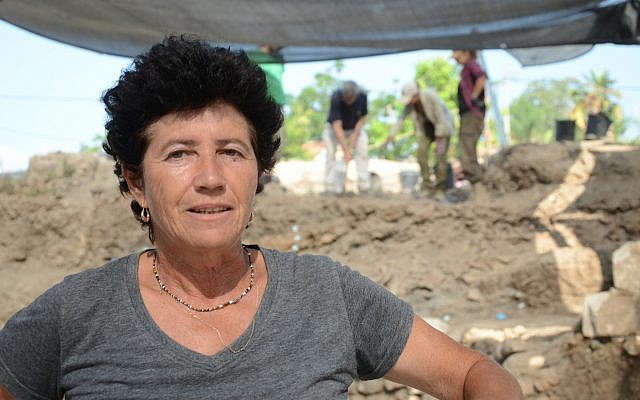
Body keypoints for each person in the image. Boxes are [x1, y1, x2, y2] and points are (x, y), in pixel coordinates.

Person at [0, 36, 523, 399]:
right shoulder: (75, 314)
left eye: (231, 152)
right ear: (136, 182)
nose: (210, 177)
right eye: (180, 153)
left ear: (258, 172)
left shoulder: (327, 293)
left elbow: (476, 374)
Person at [384, 81, 455, 197]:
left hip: (442, 127)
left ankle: (440, 189)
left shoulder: (430, 95)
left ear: (415, 94)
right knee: (421, 154)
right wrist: (391, 136)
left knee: (440, 157)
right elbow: (400, 120)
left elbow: (441, 116)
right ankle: (428, 187)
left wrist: (440, 135)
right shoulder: (410, 106)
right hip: (427, 130)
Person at [323, 80, 371, 194]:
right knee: (331, 154)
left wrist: (355, 135)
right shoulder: (336, 97)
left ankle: (364, 187)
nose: (348, 100)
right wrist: (345, 150)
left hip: (354, 127)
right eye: (346, 97)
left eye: (350, 98)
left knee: (362, 152)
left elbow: (362, 119)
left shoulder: (363, 97)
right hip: (334, 128)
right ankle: (331, 188)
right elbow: (336, 125)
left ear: (356, 95)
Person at [452, 49, 487, 184]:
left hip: (472, 113)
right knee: (466, 147)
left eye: (457, 54)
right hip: (468, 114)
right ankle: (475, 181)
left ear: (466, 52)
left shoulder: (472, 65)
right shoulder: (465, 69)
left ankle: (476, 182)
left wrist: (473, 97)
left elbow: (481, 77)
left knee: (467, 148)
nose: (455, 57)